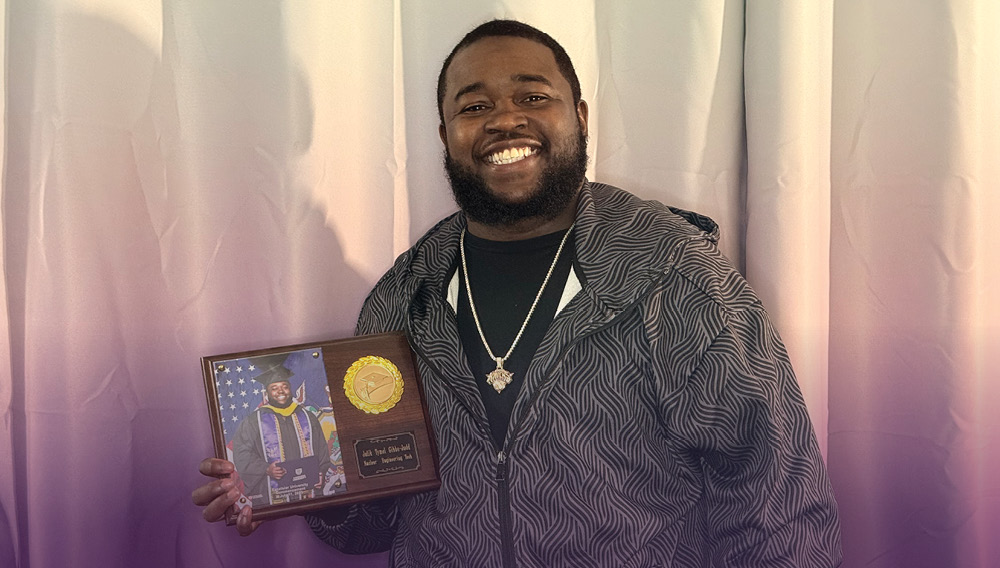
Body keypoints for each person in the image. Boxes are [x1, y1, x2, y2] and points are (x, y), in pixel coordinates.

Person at [194, 19, 842, 566]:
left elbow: (779, 511)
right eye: (473, 106)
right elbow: (374, 525)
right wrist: (292, 481)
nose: (505, 119)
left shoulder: (677, 277)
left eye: (533, 97)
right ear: (445, 136)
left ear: (580, 117)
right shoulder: (404, 297)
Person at [230, 356, 330, 507]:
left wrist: (320, 472)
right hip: (272, 494)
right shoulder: (253, 421)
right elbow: (242, 453)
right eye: (274, 388)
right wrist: (266, 469)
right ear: (267, 394)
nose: (280, 391)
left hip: (308, 492)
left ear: (290, 389)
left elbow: (322, 450)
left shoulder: (308, 417)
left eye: (284, 386)